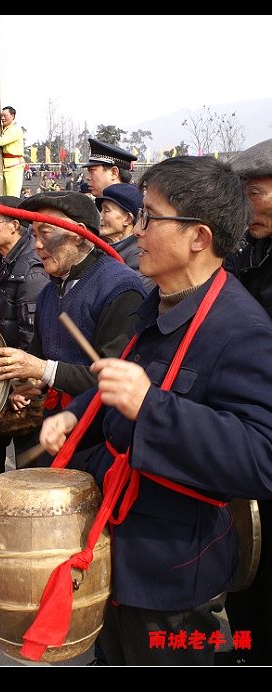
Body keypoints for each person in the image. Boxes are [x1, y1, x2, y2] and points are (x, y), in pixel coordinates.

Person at [30, 155, 272, 666]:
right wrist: (78, 413)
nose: (135, 230)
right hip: (118, 536)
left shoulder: (241, 330)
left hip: (172, 566)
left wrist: (152, 406)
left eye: (148, 217)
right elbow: (119, 382)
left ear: (198, 237)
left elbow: (260, 458)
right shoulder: (158, 299)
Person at [0, 190, 148, 470]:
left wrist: (41, 370)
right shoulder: (49, 292)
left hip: (99, 445)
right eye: (34, 235)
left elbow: (113, 383)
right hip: (55, 435)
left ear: (79, 234)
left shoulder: (120, 288)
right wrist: (26, 385)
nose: (36, 245)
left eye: (46, 233)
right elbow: (40, 362)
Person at [217, 138, 272, 666]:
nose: (246, 205)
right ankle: (245, 648)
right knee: (245, 566)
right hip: (247, 436)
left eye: (253, 192)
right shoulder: (252, 249)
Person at [0, 195, 50, 488]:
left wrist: (22, 387)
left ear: (15, 226)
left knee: (27, 480)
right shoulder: (3, 262)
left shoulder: (31, 271)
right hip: (2, 383)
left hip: (21, 390)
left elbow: (31, 338)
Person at [95, 183, 155, 293]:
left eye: (106, 211)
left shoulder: (140, 254)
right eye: (101, 210)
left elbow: (127, 292)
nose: (100, 216)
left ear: (127, 219)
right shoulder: (97, 248)